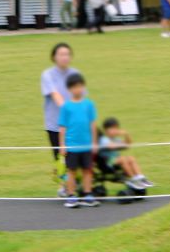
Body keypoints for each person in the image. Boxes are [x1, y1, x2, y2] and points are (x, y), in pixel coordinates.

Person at [57, 74, 100, 208]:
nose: (78, 89)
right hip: (72, 146)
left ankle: (88, 195)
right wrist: (62, 145)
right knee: (71, 171)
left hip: (86, 146)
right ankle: (71, 196)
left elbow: (93, 125)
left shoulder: (89, 105)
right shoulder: (66, 107)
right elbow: (62, 127)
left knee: (88, 170)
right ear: (70, 89)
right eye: (75, 87)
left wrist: (94, 143)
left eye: (80, 86)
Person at [41, 42, 80, 187]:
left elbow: (81, 97)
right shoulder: (47, 75)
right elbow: (55, 95)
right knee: (60, 158)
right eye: (61, 54)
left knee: (76, 157)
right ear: (54, 57)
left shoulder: (75, 74)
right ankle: (64, 187)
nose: (65, 57)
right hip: (55, 124)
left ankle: (75, 186)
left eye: (67, 54)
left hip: (74, 125)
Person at [98, 117, 154, 190]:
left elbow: (128, 144)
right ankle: (133, 179)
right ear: (106, 130)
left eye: (116, 128)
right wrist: (120, 145)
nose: (115, 131)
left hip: (116, 160)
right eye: (113, 129)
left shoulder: (116, 139)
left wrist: (126, 135)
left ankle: (140, 177)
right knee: (123, 159)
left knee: (131, 158)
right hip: (107, 162)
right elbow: (110, 146)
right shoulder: (104, 139)